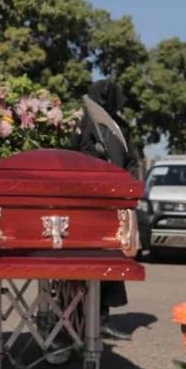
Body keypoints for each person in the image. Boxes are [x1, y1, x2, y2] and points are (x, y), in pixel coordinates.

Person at [73, 79, 137, 340]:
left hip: (115, 203)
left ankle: (101, 319)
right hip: (87, 204)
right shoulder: (83, 124)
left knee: (110, 262)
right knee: (83, 264)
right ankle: (75, 318)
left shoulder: (119, 127)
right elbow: (73, 157)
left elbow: (131, 160)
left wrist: (130, 189)